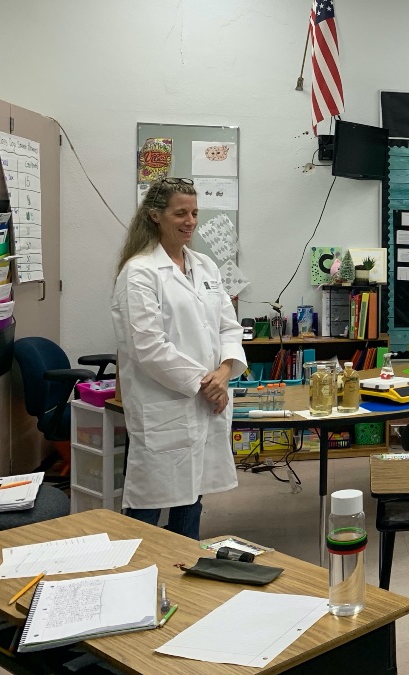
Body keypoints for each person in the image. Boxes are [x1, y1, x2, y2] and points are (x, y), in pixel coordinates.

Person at [111, 178, 246, 539]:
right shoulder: (139, 271)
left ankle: (187, 563)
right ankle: (136, 571)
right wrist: (206, 384)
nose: (190, 221)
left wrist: (223, 372)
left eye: (195, 213)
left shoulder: (205, 266)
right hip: (166, 403)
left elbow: (228, 328)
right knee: (149, 503)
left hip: (206, 397)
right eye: (180, 213)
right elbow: (147, 346)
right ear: (155, 215)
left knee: (192, 494)